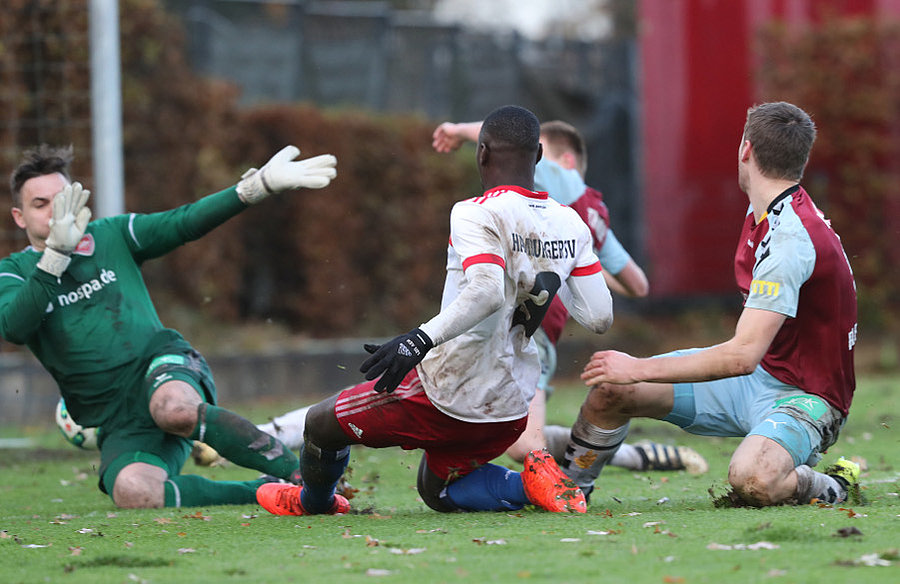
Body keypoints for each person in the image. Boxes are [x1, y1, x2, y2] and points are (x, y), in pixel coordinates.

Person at [255, 105, 614, 516]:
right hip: (513, 406)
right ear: (537, 156)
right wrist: (541, 274)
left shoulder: (475, 211)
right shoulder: (570, 223)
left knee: (320, 425)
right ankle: (531, 484)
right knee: (437, 491)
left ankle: (312, 502)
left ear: (481, 153)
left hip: (447, 394)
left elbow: (486, 291)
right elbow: (600, 317)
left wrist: (418, 341)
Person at [2, 143, 337, 508]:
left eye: (62, 199)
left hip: (162, 368)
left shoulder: (112, 235)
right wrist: (54, 257)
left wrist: (255, 188)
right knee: (132, 491)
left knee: (173, 408)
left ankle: (305, 475)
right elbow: (15, 327)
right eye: (40, 204)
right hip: (117, 418)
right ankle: (266, 490)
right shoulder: (13, 273)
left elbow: (184, 222)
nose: (55, 212)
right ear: (19, 217)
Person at [562, 101, 860, 506]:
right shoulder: (767, 212)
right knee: (613, 390)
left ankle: (832, 485)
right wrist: (630, 375)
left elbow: (741, 356)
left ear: (746, 150)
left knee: (753, 478)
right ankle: (567, 492)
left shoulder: (790, 239)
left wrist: (639, 367)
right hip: (754, 381)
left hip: (806, 396)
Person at [431, 118, 708, 475]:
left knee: (523, 446)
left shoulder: (563, 177)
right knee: (498, 431)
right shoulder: (593, 214)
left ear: (563, 160)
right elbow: (637, 285)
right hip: (528, 324)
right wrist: (577, 266)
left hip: (527, 327)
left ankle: (620, 458)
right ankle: (629, 455)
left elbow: (506, 134)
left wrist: (455, 130)